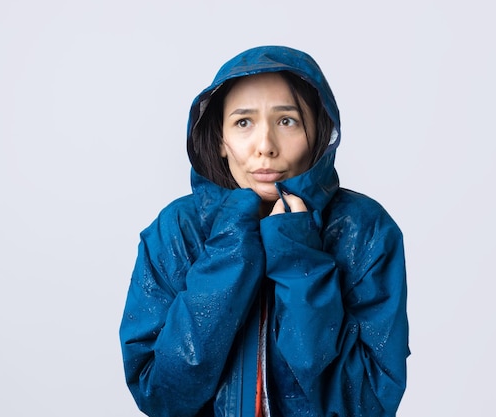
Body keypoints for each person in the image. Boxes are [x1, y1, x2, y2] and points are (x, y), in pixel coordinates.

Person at [119, 45, 409, 417]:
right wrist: (230, 249)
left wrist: (299, 259)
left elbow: (366, 403)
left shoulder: (363, 229)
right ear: (221, 140)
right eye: (243, 123)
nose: (266, 147)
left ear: (317, 131)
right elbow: (160, 395)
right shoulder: (177, 229)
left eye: (287, 121)